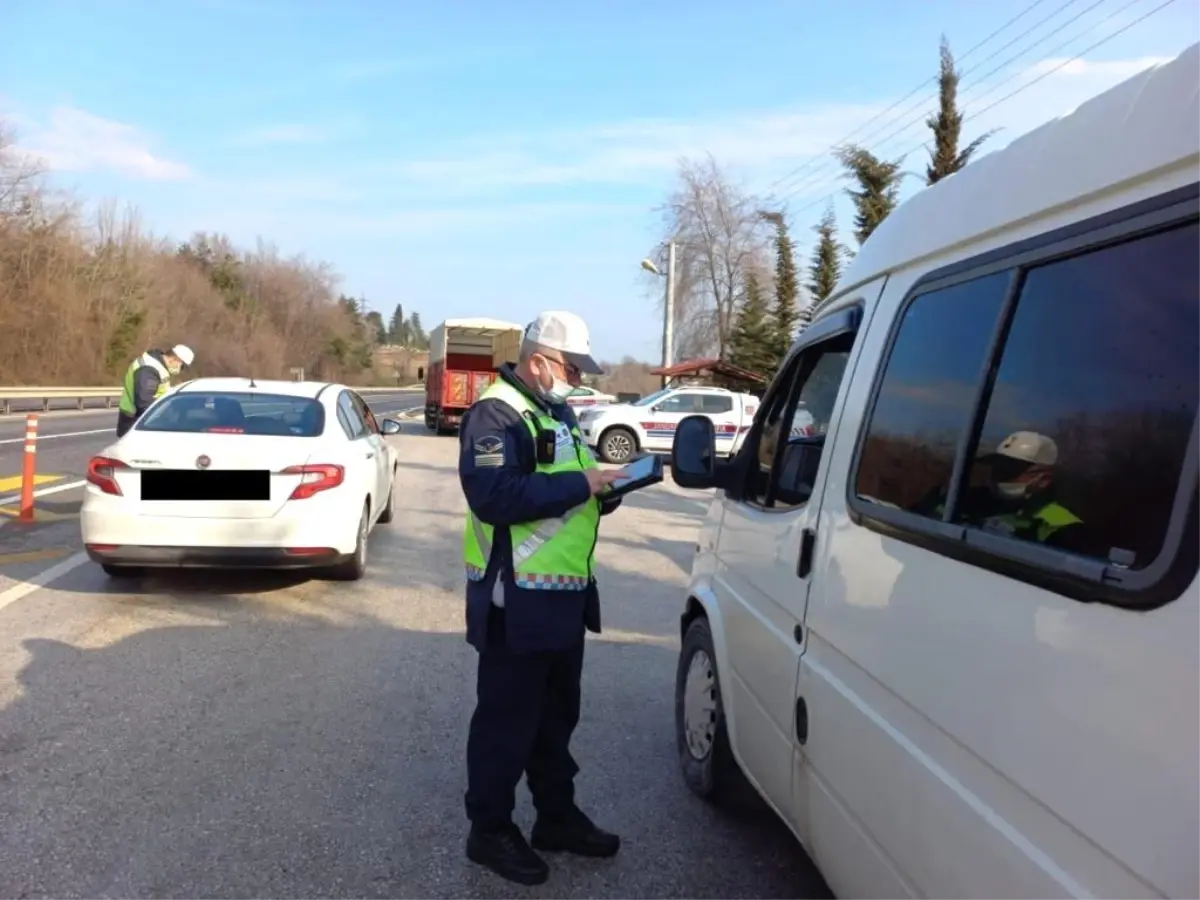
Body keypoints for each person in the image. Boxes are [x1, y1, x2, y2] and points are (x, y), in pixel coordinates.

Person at [458, 310, 627, 886]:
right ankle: (489, 831)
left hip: (560, 597)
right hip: (516, 601)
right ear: (539, 361)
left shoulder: (553, 412)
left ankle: (555, 816)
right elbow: (495, 496)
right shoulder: (495, 414)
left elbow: (568, 482)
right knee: (507, 722)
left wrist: (606, 489)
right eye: (571, 367)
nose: (577, 379)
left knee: (556, 719)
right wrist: (582, 484)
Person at [116, 344, 195, 437]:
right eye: (182, 366)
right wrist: (163, 418)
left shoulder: (158, 366)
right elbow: (144, 402)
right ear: (175, 359)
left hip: (142, 419)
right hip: (135, 420)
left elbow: (159, 392)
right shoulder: (149, 370)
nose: (180, 370)